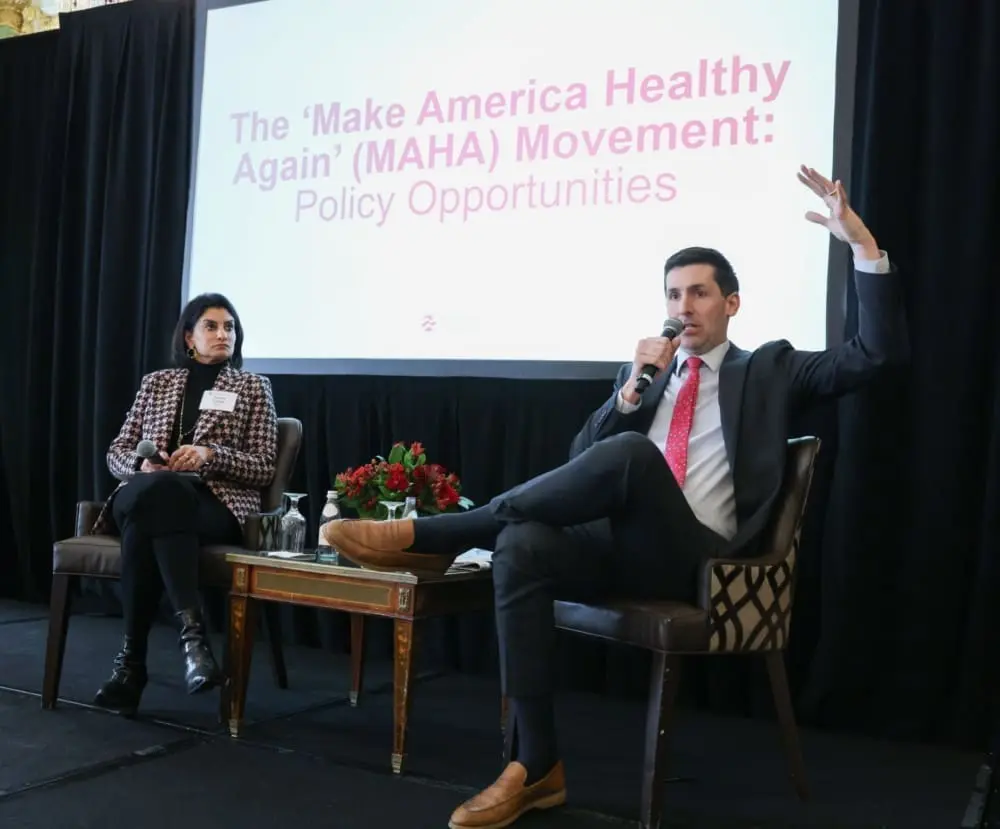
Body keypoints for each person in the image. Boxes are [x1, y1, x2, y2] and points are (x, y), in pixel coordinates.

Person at [322, 166, 910, 828]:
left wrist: (862, 245)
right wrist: (628, 393)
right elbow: (580, 466)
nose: (683, 307)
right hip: (622, 548)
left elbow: (876, 355)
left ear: (732, 303)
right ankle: (535, 766)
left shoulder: (771, 368)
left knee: (631, 455)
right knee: (521, 543)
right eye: (673, 294)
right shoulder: (646, 379)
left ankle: (440, 535)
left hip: (704, 560)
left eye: (699, 293)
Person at [90, 293, 278, 716]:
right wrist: (141, 463)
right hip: (145, 489)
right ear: (189, 337)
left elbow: (265, 467)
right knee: (159, 492)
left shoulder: (252, 387)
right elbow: (117, 451)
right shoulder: (156, 382)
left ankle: (130, 667)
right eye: (211, 326)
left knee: (151, 517)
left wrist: (211, 455)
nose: (223, 334)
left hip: (211, 502)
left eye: (229, 327)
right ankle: (193, 642)